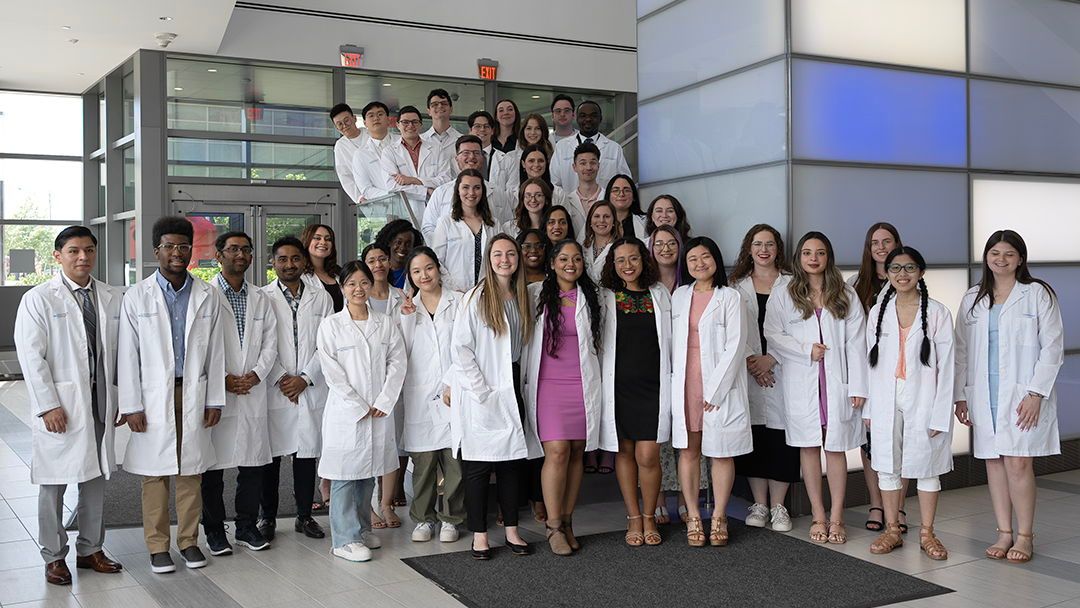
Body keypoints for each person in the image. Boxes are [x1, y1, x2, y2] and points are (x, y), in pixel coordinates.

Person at [14, 226, 124, 585]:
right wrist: (48, 405)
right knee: (54, 482)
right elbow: (31, 357)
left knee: (95, 479)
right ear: (58, 256)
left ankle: (90, 549)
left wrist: (121, 398)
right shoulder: (39, 299)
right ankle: (54, 555)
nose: (83, 257)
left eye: (89, 250)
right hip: (62, 404)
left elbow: (120, 353)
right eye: (74, 251)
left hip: (100, 401)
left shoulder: (109, 296)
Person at [117, 216, 224, 573]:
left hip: (193, 393)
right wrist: (131, 405)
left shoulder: (207, 294)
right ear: (156, 251)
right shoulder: (137, 296)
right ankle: (157, 546)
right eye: (169, 246)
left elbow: (216, 352)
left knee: (191, 471)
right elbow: (127, 355)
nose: (177, 253)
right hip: (152, 399)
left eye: (183, 246)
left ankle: (189, 542)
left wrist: (214, 399)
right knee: (155, 474)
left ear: (191, 250)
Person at [954, 230, 1063, 564]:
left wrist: (1036, 393)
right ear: (986, 257)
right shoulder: (972, 298)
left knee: (1018, 462)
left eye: (1009, 254)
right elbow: (961, 350)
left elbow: (1053, 347)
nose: (1000, 260)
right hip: (984, 392)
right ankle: (1004, 532)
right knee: (994, 462)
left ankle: (1025, 535)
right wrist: (960, 396)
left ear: (1020, 259)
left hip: (1023, 393)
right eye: (994, 253)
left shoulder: (1037, 293)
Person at [764, 231, 868, 545]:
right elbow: (772, 333)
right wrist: (805, 350)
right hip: (802, 381)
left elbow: (857, 343)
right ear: (799, 258)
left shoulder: (845, 293)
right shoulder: (784, 293)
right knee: (809, 448)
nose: (813, 258)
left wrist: (858, 386)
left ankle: (836, 517)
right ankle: (817, 515)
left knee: (835, 449)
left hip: (836, 383)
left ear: (828, 257)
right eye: (807, 252)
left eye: (820, 252)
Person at [449, 234, 537, 560]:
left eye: (510, 253)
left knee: (512, 463)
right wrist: (481, 390)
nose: (504, 260)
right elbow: (461, 349)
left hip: (513, 383)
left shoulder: (523, 295)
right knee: (479, 467)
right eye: (497, 254)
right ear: (488, 259)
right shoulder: (476, 298)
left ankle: (512, 530)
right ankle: (480, 536)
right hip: (482, 388)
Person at [865, 247, 955, 561]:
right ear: (887, 272)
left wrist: (941, 413)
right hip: (886, 396)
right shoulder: (878, 311)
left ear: (921, 272)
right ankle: (892, 530)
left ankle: (927, 533)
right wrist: (869, 409)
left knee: (927, 467)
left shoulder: (938, 312)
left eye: (910, 268)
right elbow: (870, 364)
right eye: (895, 268)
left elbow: (948, 366)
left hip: (925, 396)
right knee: (887, 464)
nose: (902, 274)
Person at [318, 260, 407, 562]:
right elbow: (332, 372)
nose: (358, 289)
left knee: (367, 473)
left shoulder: (384, 323)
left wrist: (384, 400)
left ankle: (361, 529)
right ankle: (343, 540)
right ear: (342, 287)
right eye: (352, 284)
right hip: (347, 412)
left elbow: (398, 362)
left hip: (378, 410)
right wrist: (358, 404)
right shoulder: (331, 326)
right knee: (344, 475)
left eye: (364, 283)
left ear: (371, 285)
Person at [523, 239, 603, 556]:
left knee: (576, 452)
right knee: (556, 451)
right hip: (548, 384)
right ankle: (553, 525)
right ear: (553, 263)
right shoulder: (535, 294)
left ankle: (568, 521)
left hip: (582, 384)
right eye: (564, 259)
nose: (571, 264)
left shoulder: (592, 297)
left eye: (577, 259)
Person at [671, 236, 751, 548]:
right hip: (686, 382)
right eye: (692, 259)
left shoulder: (730, 297)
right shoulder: (680, 295)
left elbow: (736, 346)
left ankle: (719, 516)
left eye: (705, 257)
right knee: (689, 450)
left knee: (721, 451)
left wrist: (715, 390)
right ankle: (693, 515)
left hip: (719, 385)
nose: (699, 263)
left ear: (716, 259)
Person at [201, 232, 276, 556]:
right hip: (219, 391)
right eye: (233, 249)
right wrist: (223, 380)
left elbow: (271, 342)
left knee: (252, 464)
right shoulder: (205, 295)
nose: (240, 255)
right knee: (212, 468)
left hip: (252, 389)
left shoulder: (261, 297)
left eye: (246, 249)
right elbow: (199, 345)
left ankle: (246, 527)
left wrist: (257, 374)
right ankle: (215, 530)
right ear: (219, 255)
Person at [259, 236, 334, 542]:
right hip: (276, 386)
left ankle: (305, 516)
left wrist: (305, 377)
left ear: (304, 262)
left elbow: (327, 344)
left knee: (306, 456)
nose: (289, 264)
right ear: (273, 263)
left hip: (309, 386)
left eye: (295, 258)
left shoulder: (321, 297)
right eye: (282, 259)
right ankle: (267, 518)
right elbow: (261, 344)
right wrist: (281, 377)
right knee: (271, 459)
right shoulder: (262, 297)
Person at [598, 237, 672, 547]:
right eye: (620, 260)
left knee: (648, 454)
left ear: (644, 260)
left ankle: (650, 515)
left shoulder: (660, 294)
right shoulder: (606, 297)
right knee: (625, 452)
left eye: (633, 258)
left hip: (653, 387)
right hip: (618, 388)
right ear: (612, 265)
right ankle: (634, 518)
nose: (627, 265)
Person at [728, 225, 797, 532]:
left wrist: (773, 358)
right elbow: (732, 330)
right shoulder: (736, 286)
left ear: (778, 248)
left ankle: (779, 506)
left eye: (770, 244)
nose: (764, 250)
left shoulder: (792, 284)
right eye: (758, 244)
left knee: (781, 437)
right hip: (749, 369)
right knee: (755, 435)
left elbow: (800, 327)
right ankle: (759, 504)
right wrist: (753, 362)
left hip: (785, 368)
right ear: (749, 248)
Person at [399, 247, 465, 543]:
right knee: (423, 464)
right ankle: (423, 519)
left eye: (428, 268)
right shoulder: (406, 309)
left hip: (454, 392)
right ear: (410, 277)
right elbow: (400, 353)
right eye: (416, 271)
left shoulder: (459, 302)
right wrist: (406, 318)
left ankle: (451, 519)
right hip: (420, 396)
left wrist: (453, 382)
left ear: (438, 269)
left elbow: (466, 346)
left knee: (455, 463)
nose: (424, 275)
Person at [849, 222, 906, 533]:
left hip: (899, 374)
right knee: (870, 442)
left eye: (887, 241)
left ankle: (898, 507)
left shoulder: (907, 279)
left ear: (897, 244)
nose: (881, 247)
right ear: (868, 249)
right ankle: (876, 503)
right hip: (866, 374)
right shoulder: (856, 285)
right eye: (875, 243)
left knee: (901, 440)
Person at [361, 242, 408, 528]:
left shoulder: (402, 297)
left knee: (391, 445)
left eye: (382, 259)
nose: (378, 264)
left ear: (389, 263)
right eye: (371, 260)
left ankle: (387, 504)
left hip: (395, 382)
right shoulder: (358, 297)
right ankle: (367, 505)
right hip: (365, 383)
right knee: (367, 446)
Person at [422, 134, 510, 241]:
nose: (472, 157)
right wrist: (442, 247)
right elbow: (428, 227)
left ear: (482, 157)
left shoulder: (497, 192)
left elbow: (507, 226)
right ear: (456, 158)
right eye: (466, 153)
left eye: (476, 153)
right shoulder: (441, 192)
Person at [381, 105, 452, 222]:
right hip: (404, 211)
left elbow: (445, 179)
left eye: (414, 122)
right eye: (405, 122)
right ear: (398, 125)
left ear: (420, 125)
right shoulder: (389, 152)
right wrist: (426, 191)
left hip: (434, 208)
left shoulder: (436, 149)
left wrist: (414, 180)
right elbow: (392, 186)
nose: (410, 126)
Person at [431, 169, 498, 292]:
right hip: (454, 292)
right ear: (458, 190)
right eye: (465, 187)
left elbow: (499, 257)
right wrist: (453, 287)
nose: (471, 193)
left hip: (487, 291)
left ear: (483, 191)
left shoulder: (494, 224)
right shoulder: (446, 222)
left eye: (477, 188)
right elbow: (436, 260)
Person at [551, 101, 631, 192]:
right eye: (583, 116)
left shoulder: (614, 148)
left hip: (604, 200)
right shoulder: (562, 147)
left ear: (600, 118)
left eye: (593, 115)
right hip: (570, 200)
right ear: (577, 118)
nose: (588, 119)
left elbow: (625, 182)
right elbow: (554, 182)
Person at [350, 101, 400, 204]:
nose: (376, 118)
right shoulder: (360, 154)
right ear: (365, 123)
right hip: (385, 206)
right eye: (371, 115)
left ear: (388, 120)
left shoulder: (402, 142)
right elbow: (366, 189)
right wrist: (392, 196)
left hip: (413, 200)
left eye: (380, 114)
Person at [507, 145, 569, 220]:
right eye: (531, 161)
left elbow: (566, 221)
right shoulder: (511, 194)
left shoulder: (558, 194)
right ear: (523, 164)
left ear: (546, 163)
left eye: (541, 161)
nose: (536, 165)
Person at [501, 113, 555, 193]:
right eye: (529, 128)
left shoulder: (552, 156)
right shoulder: (510, 157)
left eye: (537, 128)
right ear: (523, 130)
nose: (533, 132)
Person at [331, 103, 369, 204]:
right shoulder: (340, 146)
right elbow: (345, 175)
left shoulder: (371, 134)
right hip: (365, 195)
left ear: (354, 118)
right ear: (336, 127)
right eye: (339, 124)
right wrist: (359, 197)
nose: (344, 126)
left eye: (346, 120)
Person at [300, 224, 344, 313]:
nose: (323, 242)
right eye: (317, 238)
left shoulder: (339, 272)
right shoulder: (300, 276)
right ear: (307, 241)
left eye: (328, 239)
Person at [373, 219, 423, 290]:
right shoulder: (378, 269)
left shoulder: (416, 272)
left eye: (408, 244)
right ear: (389, 242)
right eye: (398, 242)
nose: (402, 248)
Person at [564, 142, 604, 228]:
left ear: (598, 166)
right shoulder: (567, 200)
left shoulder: (607, 197)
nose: (588, 167)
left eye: (593, 163)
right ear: (574, 167)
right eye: (583, 163)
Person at [421, 88, 464, 164]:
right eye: (435, 104)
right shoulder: (420, 140)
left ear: (451, 109)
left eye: (444, 103)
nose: (440, 106)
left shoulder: (462, 140)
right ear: (429, 111)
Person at [467, 110, 507, 188]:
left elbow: (512, 189)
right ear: (470, 130)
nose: (482, 129)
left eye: (486, 126)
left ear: (492, 131)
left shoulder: (506, 159)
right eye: (477, 126)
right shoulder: (461, 158)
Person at [583, 201, 620, 283]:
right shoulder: (584, 247)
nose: (601, 220)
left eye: (606, 216)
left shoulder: (620, 248)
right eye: (597, 216)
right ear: (590, 221)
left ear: (614, 221)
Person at [606, 174, 648, 240]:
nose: (621, 194)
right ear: (608, 195)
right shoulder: (599, 221)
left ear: (634, 197)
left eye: (626, 190)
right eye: (616, 190)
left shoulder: (646, 221)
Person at [651, 225, 687, 294]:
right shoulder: (644, 280)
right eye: (659, 244)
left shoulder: (691, 278)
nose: (666, 249)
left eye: (672, 243)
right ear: (651, 248)